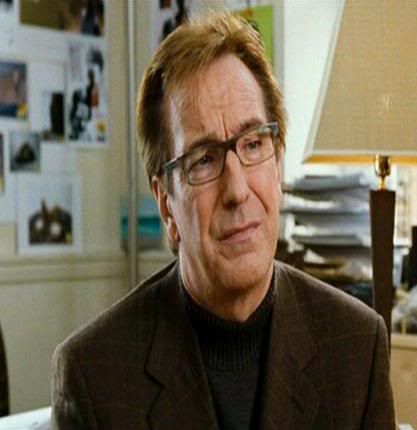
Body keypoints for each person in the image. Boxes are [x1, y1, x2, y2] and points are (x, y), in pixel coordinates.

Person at [51, 11, 395, 429]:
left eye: (253, 144)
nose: (237, 190)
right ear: (166, 205)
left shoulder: (357, 347)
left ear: (278, 166)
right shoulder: (93, 377)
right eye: (204, 159)